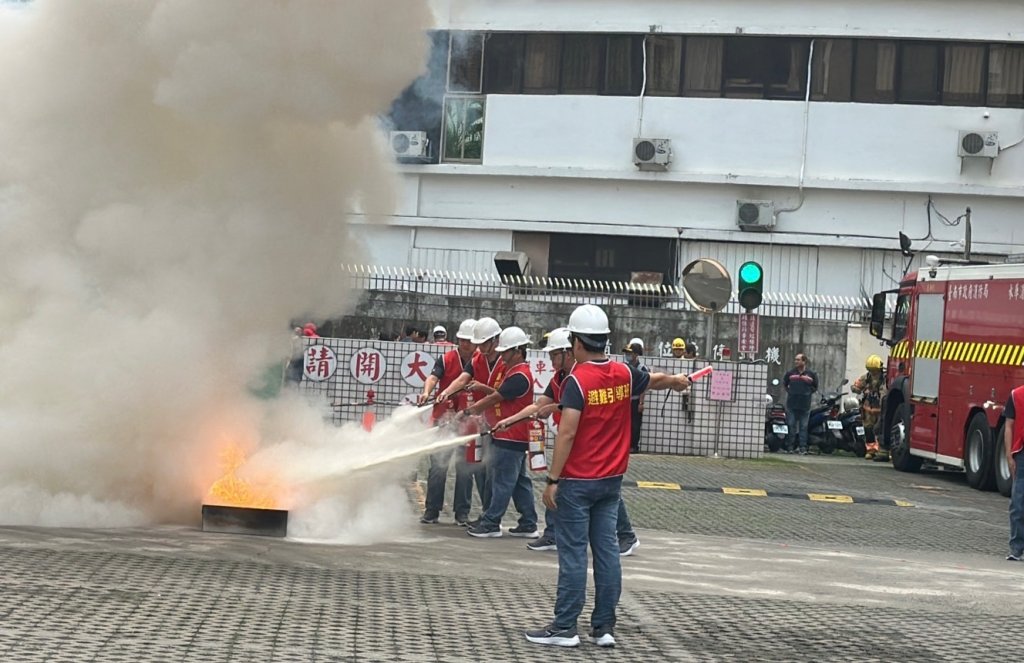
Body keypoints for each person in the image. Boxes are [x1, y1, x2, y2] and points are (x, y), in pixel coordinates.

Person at [525, 304, 691, 649]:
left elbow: (567, 434)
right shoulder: (624, 373)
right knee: (607, 555)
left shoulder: (576, 381)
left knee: (572, 555)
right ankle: (603, 628)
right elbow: (653, 380)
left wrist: (552, 480)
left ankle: (565, 627)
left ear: (576, 343)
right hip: (611, 481)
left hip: (577, 482)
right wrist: (676, 381)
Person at [459, 326, 539, 539]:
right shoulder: (514, 372)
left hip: (510, 436)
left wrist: (469, 410)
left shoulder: (519, 376)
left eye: (505, 352)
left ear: (518, 351)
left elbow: (496, 398)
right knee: (519, 482)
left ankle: (491, 522)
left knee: (502, 481)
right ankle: (529, 522)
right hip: (512, 435)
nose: (501, 356)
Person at [417, 319, 484, 526]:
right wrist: (427, 392)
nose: (466, 345)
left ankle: (461, 513)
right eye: (463, 340)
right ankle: (432, 510)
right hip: (444, 418)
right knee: (438, 466)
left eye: (470, 341)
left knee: (465, 468)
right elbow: (433, 378)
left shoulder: (480, 361)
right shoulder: (446, 359)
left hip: (468, 420)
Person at [437, 316, 505, 514]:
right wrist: (446, 392)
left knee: (492, 472)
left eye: (484, 343)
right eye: (479, 343)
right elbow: (462, 379)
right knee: (479, 469)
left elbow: (502, 394)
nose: (480, 347)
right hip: (480, 423)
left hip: (501, 424)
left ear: (495, 341)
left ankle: (491, 516)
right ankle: (487, 515)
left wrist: (482, 389)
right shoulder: (477, 360)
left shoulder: (504, 362)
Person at [852, 355, 887, 461]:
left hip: (880, 409)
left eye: (875, 370)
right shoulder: (866, 377)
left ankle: (883, 451)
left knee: (881, 430)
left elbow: (885, 392)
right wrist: (859, 389)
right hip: (868, 410)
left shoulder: (885, 378)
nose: (873, 373)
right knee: (868, 430)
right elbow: (855, 386)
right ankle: (871, 450)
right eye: (871, 370)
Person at [783, 353, 818, 455]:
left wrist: (807, 393)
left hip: (805, 405)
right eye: (795, 360)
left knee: (803, 427)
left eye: (798, 360)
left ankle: (802, 447)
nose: (796, 362)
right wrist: (791, 392)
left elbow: (815, 386)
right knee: (791, 425)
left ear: (804, 361)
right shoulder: (790, 373)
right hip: (792, 404)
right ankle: (790, 447)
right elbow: (785, 384)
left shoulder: (811, 374)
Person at [1005, 384, 1024, 561]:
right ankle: (1016, 548)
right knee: (1018, 503)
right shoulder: (1016, 395)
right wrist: (1009, 455)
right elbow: (1009, 425)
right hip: (1022, 454)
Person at [622, 340, 648, 453]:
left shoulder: (642, 368)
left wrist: (641, 403)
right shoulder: (625, 367)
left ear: (636, 354)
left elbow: (644, 387)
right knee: (624, 424)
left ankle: (633, 446)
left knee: (635, 425)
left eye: (630, 353)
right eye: (627, 353)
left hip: (636, 400)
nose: (627, 355)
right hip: (625, 400)